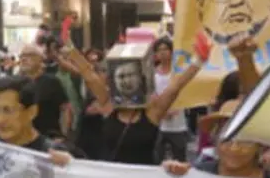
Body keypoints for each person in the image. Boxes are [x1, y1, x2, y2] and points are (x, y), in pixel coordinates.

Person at [61, 34, 210, 165]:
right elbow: (89, 76)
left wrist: (198, 62)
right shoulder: (109, 105)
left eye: (131, 75)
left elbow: (175, 87)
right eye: (121, 76)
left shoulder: (152, 112)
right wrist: (73, 52)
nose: (126, 82)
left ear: (141, 80)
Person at [17, 44, 68, 139]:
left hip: (49, 138)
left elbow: (66, 109)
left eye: (29, 55)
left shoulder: (52, 81)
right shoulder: (17, 83)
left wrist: (63, 136)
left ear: (40, 59)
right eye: (22, 56)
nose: (24, 59)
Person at [152, 37, 190, 161]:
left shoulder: (178, 73)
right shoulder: (152, 75)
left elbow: (184, 94)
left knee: (180, 158)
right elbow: (151, 97)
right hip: (158, 125)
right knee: (156, 159)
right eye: (159, 50)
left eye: (165, 49)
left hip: (178, 125)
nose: (162, 52)